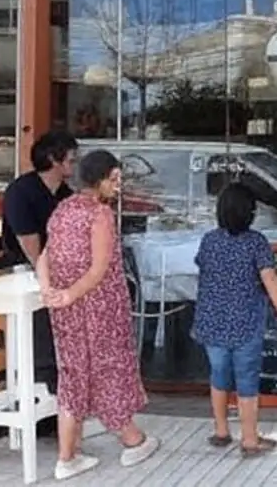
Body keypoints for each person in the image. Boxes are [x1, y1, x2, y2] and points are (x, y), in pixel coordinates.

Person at [37, 150, 159, 481]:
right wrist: (69, 294)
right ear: (99, 180)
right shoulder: (100, 215)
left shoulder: (63, 209)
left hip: (66, 313)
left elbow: (43, 258)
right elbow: (99, 269)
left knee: (73, 375)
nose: (118, 186)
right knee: (108, 370)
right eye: (115, 179)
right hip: (99, 309)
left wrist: (51, 292)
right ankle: (133, 441)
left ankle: (67, 457)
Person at [192, 183, 277, 458]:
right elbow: (270, 279)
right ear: (250, 213)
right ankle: (249, 439)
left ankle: (221, 430)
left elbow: (202, 271)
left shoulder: (209, 240)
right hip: (246, 321)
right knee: (247, 378)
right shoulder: (256, 242)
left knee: (219, 375)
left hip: (212, 320)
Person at [1, 129, 78, 433]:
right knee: (41, 338)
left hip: (58, 273)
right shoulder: (22, 191)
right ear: (53, 160)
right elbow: (28, 241)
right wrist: (47, 278)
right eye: (71, 158)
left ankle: (61, 407)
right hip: (27, 272)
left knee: (61, 340)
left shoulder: (65, 195)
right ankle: (42, 411)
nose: (74, 164)